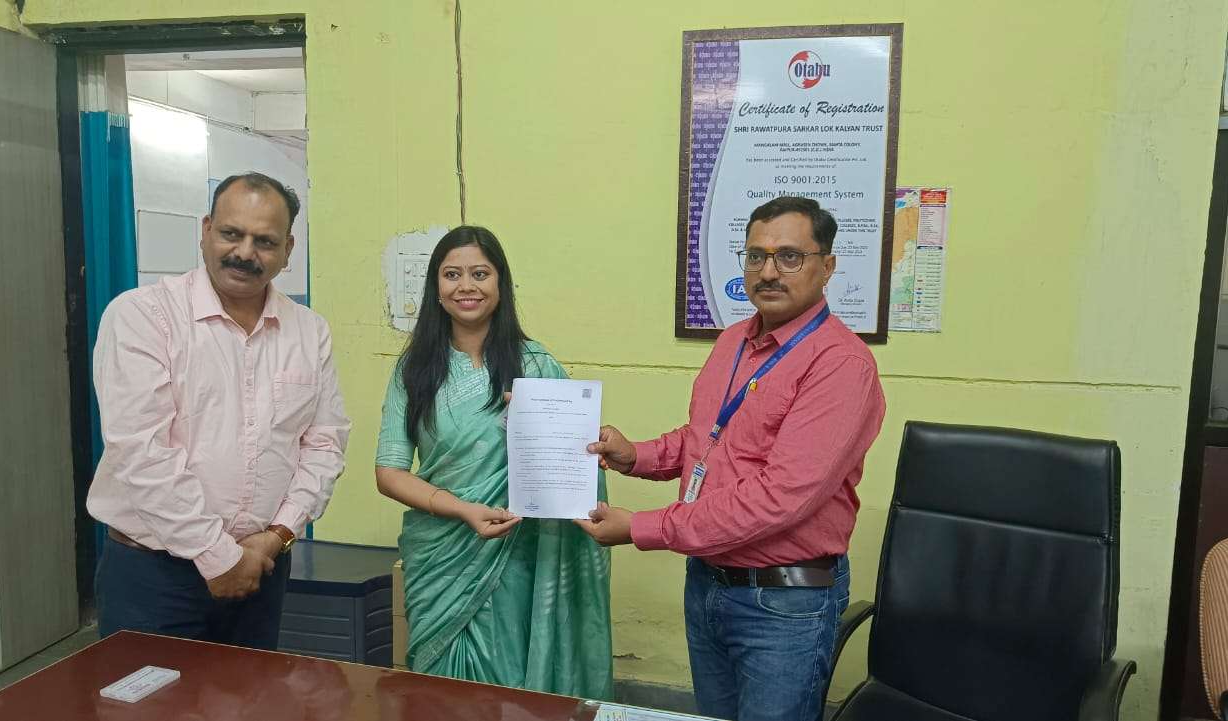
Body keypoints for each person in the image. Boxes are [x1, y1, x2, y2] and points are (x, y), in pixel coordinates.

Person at [576, 196, 886, 721]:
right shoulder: (733, 342)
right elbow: (707, 440)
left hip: (783, 603)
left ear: (827, 266)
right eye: (756, 256)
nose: (769, 272)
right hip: (708, 583)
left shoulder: (840, 364)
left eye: (790, 256)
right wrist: (635, 456)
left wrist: (643, 527)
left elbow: (780, 496)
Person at [87, 172, 351, 650]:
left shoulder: (309, 332)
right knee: (151, 694)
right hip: (153, 577)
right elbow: (142, 452)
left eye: (265, 241)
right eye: (232, 233)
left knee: (252, 692)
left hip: (261, 568)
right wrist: (217, 556)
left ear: (288, 249)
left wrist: (277, 537)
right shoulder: (143, 317)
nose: (245, 253)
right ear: (206, 230)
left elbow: (324, 444)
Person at [375, 225, 612, 698]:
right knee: (440, 692)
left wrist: (571, 445)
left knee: (508, 683)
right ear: (436, 287)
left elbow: (571, 465)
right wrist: (462, 509)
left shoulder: (535, 365)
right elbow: (389, 472)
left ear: (501, 283)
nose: (466, 286)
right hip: (441, 555)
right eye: (452, 275)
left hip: (516, 552)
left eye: (480, 274)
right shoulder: (414, 370)